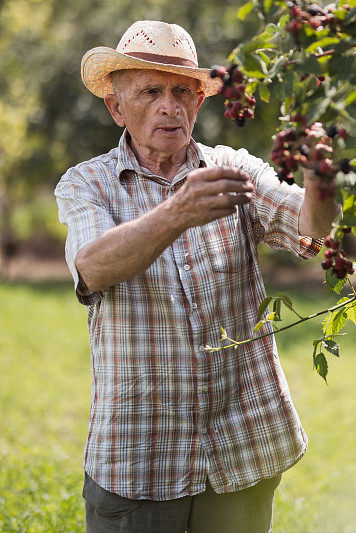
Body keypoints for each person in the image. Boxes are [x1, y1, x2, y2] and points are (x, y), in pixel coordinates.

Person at [54, 20, 340, 532]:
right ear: (116, 107)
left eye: (182, 91)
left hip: (242, 449)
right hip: (141, 456)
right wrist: (178, 211)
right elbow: (93, 266)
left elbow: (312, 230)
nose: (170, 105)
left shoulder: (232, 168)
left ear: (199, 103)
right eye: (151, 91)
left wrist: (321, 173)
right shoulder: (87, 183)